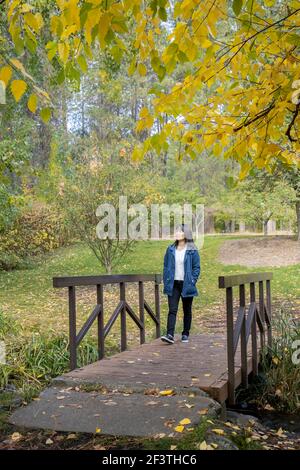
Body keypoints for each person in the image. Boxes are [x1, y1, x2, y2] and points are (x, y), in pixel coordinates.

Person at [161, 224, 201, 344]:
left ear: (186, 234)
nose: (177, 233)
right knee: (172, 309)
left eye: (180, 231)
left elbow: (196, 267)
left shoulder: (192, 250)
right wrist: (166, 278)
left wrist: (192, 280)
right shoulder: (170, 249)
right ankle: (170, 334)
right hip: (173, 284)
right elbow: (166, 266)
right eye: (176, 231)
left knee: (187, 310)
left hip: (187, 284)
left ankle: (185, 333)